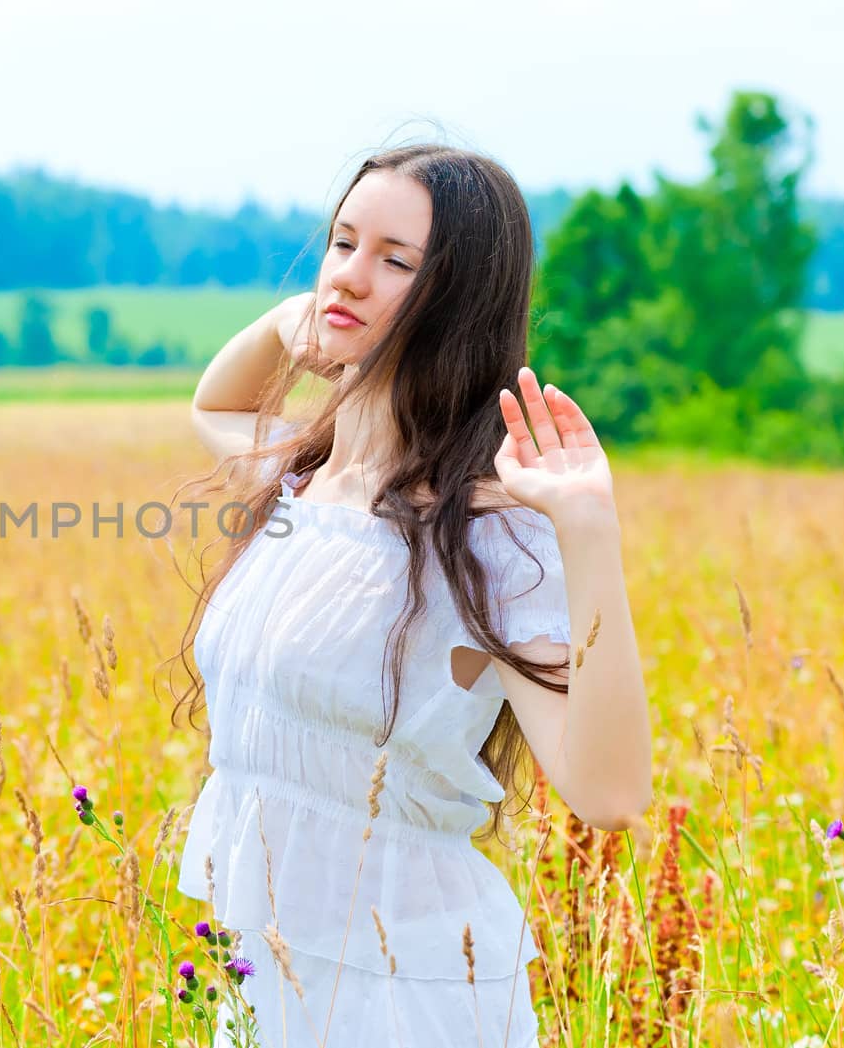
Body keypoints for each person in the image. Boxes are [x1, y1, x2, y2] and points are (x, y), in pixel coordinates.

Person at [172, 144, 654, 1047]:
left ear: (460, 299)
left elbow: (610, 791)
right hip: (264, 966)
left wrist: (589, 532)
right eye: (342, 242)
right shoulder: (305, 476)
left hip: (405, 990)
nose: (349, 278)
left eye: (395, 260)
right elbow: (216, 406)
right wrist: (287, 324)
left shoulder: (490, 527)